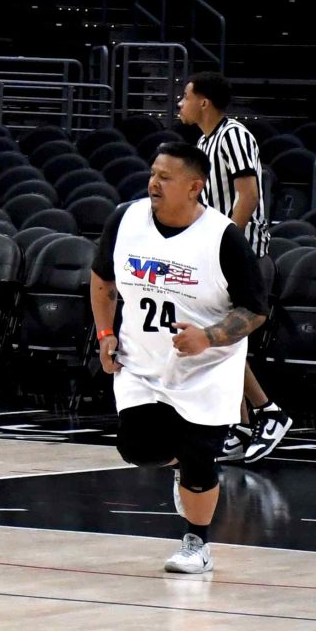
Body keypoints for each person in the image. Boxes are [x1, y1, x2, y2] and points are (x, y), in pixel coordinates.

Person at [90, 141, 270, 576]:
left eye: (165, 177)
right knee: (137, 448)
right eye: (153, 173)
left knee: (199, 457)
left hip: (207, 367)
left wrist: (208, 337)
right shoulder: (126, 219)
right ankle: (182, 468)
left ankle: (197, 543)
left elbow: (255, 311)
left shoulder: (223, 237)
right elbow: (101, 279)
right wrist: (105, 333)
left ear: (194, 187)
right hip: (142, 360)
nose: (154, 183)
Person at [178, 72, 287, 465]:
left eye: (185, 96)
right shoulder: (204, 142)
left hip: (244, 254)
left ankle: (269, 412)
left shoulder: (233, 135)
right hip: (220, 255)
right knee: (217, 340)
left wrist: (227, 243)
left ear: (204, 102)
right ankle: (240, 429)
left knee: (222, 338)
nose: (180, 103)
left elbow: (249, 195)